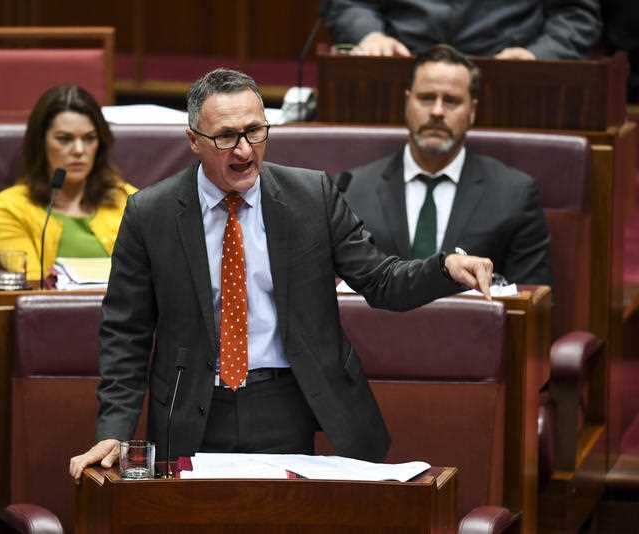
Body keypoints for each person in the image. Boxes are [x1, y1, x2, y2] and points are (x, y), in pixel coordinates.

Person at [69, 68, 493, 481]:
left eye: (256, 130)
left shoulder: (313, 197)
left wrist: (444, 269)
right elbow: (126, 332)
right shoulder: (151, 213)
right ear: (193, 141)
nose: (244, 150)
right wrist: (113, 431)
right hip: (193, 405)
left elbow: (381, 280)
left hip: (289, 399)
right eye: (226, 137)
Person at [342, 45, 552, 285]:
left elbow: (530, 299)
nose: (437, 111)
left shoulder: (514, 194)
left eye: (451, 101)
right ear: (407, 102)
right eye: (426, 98)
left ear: (472, 111)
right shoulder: (354, 190)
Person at [0, 85, 137, 281]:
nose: (79, 150)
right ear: (41, 143)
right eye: (64, 139)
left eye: (89, 138)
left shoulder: (130, 201)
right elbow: (29, 288)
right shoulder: (9, 208)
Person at [321, 0, 601, 60]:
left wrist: (536, 55)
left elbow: (576, 15)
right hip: (401, 68)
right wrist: (370, 35)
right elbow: (348, 4)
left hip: (506, 78)